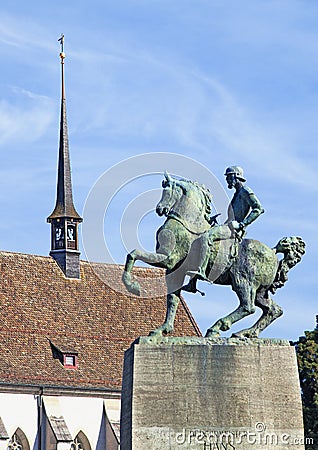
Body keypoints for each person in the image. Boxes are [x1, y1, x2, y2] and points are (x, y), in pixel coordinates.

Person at [186, 166, 264, 286]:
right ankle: (192, 284)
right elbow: (232, 217)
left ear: (236, 176)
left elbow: (258, 209)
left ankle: (200, 270)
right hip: (228, 226)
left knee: (206, 238)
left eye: (229, 177)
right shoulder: (237, 194)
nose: (227, 180)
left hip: (234, 230)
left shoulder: (246, 191)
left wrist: (242, 224)